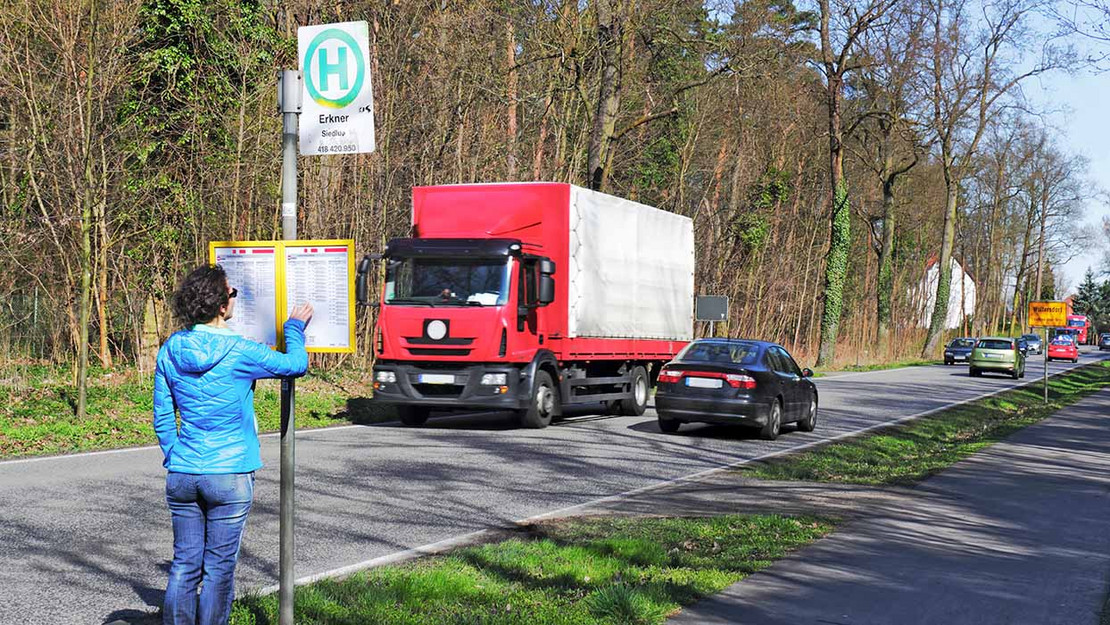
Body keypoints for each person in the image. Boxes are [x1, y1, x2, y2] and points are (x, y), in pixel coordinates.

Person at [154, 265, 313, 625]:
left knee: (184, 564)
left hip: (182, 473)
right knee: (218, 569)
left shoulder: (171, 348)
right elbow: (294, 365)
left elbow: (163, 417)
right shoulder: (240, 350)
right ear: (221, 305)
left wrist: (175, 454)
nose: (233, 299)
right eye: (232, 293)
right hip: (229, 473)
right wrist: (294, 327)